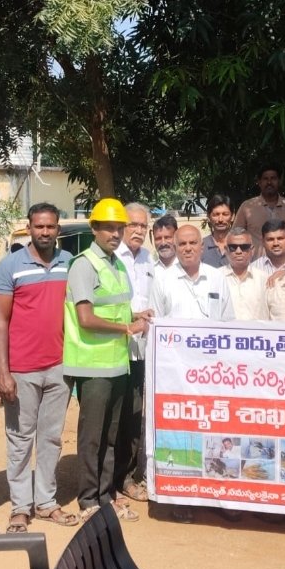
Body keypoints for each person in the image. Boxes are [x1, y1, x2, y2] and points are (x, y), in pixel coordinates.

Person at [0, 203, 79, 534]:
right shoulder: (10, 266)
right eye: (39, 226)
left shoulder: (69, 263)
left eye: (51, 227)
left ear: (59, 229)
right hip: (22, 369)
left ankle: (45, 502)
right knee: (19, 439)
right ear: (29, 228)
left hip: (60, 367)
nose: (45, 232)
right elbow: (1, 321)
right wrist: (3, 371)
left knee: (51, 438)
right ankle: (20, 507)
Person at [64, 198, 150, 523]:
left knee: (111, 437)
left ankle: (105, 496)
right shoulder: (84, 265)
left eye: (119, 228)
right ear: (94, 229)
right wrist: (127, 327)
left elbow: (116, 307)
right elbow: (85, 317)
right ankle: (88, 500)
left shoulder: (116, 265)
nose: (115, 233)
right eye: (109, 228)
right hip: (92, 366)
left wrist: (136, 315)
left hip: (117, 364)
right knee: (92, 437)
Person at [149, 224, 235, 522]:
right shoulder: (162, 279)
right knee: (181, 434)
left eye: (192, 243)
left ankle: (217, 493)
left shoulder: (218, 277)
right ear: (174, 246)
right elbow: (154, 324)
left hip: (212, 375)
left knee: (214, 431)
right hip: (176, 376)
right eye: (181, 243)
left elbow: (228, 325)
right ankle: (182, 497)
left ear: (203, 246)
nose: (187, 248)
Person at [114, 203, 155, 505]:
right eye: (134, 224)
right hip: (116, 350)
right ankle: (107, 483)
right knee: (112, 418)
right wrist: (133, 315)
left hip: (143, 353)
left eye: (143, 226)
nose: (139, 230)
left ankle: (126, 477)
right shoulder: (113, 258)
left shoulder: (149, 260)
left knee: (135, 417)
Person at [233, 163, 285, 253]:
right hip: (255, 264)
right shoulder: (247, 207)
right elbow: (236, 235)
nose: (269, 182)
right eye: (265, 179)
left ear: (279, 181)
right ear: (259, 182)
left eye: (273, 178)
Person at [221, 227, 266, 320]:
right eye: (233, 247)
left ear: (252, 250)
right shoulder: (216, 277)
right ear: (226, 250)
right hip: (226, 334)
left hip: (256, 333)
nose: (238, 251)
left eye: (244, 247)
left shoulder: (264, 279)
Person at [201, 194, 234, 268]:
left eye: (225, 214)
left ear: (232, 217)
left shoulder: (241, 245)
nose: (220, 220)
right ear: (209, 217)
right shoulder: (201, 246)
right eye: (216, 214)